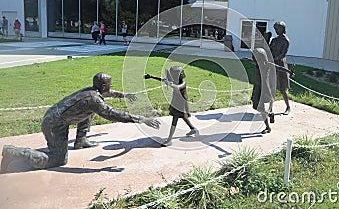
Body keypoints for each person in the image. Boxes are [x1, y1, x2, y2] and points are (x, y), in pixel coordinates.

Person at [0, 72, 161, 173]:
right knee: (58, 160)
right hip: (54, 125)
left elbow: (109, 93)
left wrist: (125, 95)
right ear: (104, 85)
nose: (111, 88)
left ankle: (80, 140)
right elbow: (111, 114)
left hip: (55, 117)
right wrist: (141, 119)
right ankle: (13, 152)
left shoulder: (92, 92)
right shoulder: (94, 99)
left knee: (89, 111)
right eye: (110, 85)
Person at [144, 66, 199, 146]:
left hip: (181, 103)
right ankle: (193, 128)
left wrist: (170, 84)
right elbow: (163, 79)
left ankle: (169, 139)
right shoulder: (174, 81)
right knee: (183, 116)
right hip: (176, 101)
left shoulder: (183, 84)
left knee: (175, 118)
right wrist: (151, 76)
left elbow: (176, 87)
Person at [268, 21, 291, 120]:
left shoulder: (286, 41)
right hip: (273, 64)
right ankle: (270, 108)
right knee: (272, 87)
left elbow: (283, 54)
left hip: (281, 65)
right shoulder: (274, 40)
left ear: (282, 29)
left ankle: (288, 107)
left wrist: (274, 59)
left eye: (277, 29)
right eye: (275, 29)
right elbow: (269, 50)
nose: (276, 31)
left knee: (282, 89)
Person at [250, 48, 275, 134]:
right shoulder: (259, 64)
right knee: (256, 106)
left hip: (262, 88)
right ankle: (268, 119)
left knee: (259, 107)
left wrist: (289, 72)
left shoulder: (265, 65)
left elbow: (278, 68)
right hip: (257, 87)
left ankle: (268, 125)